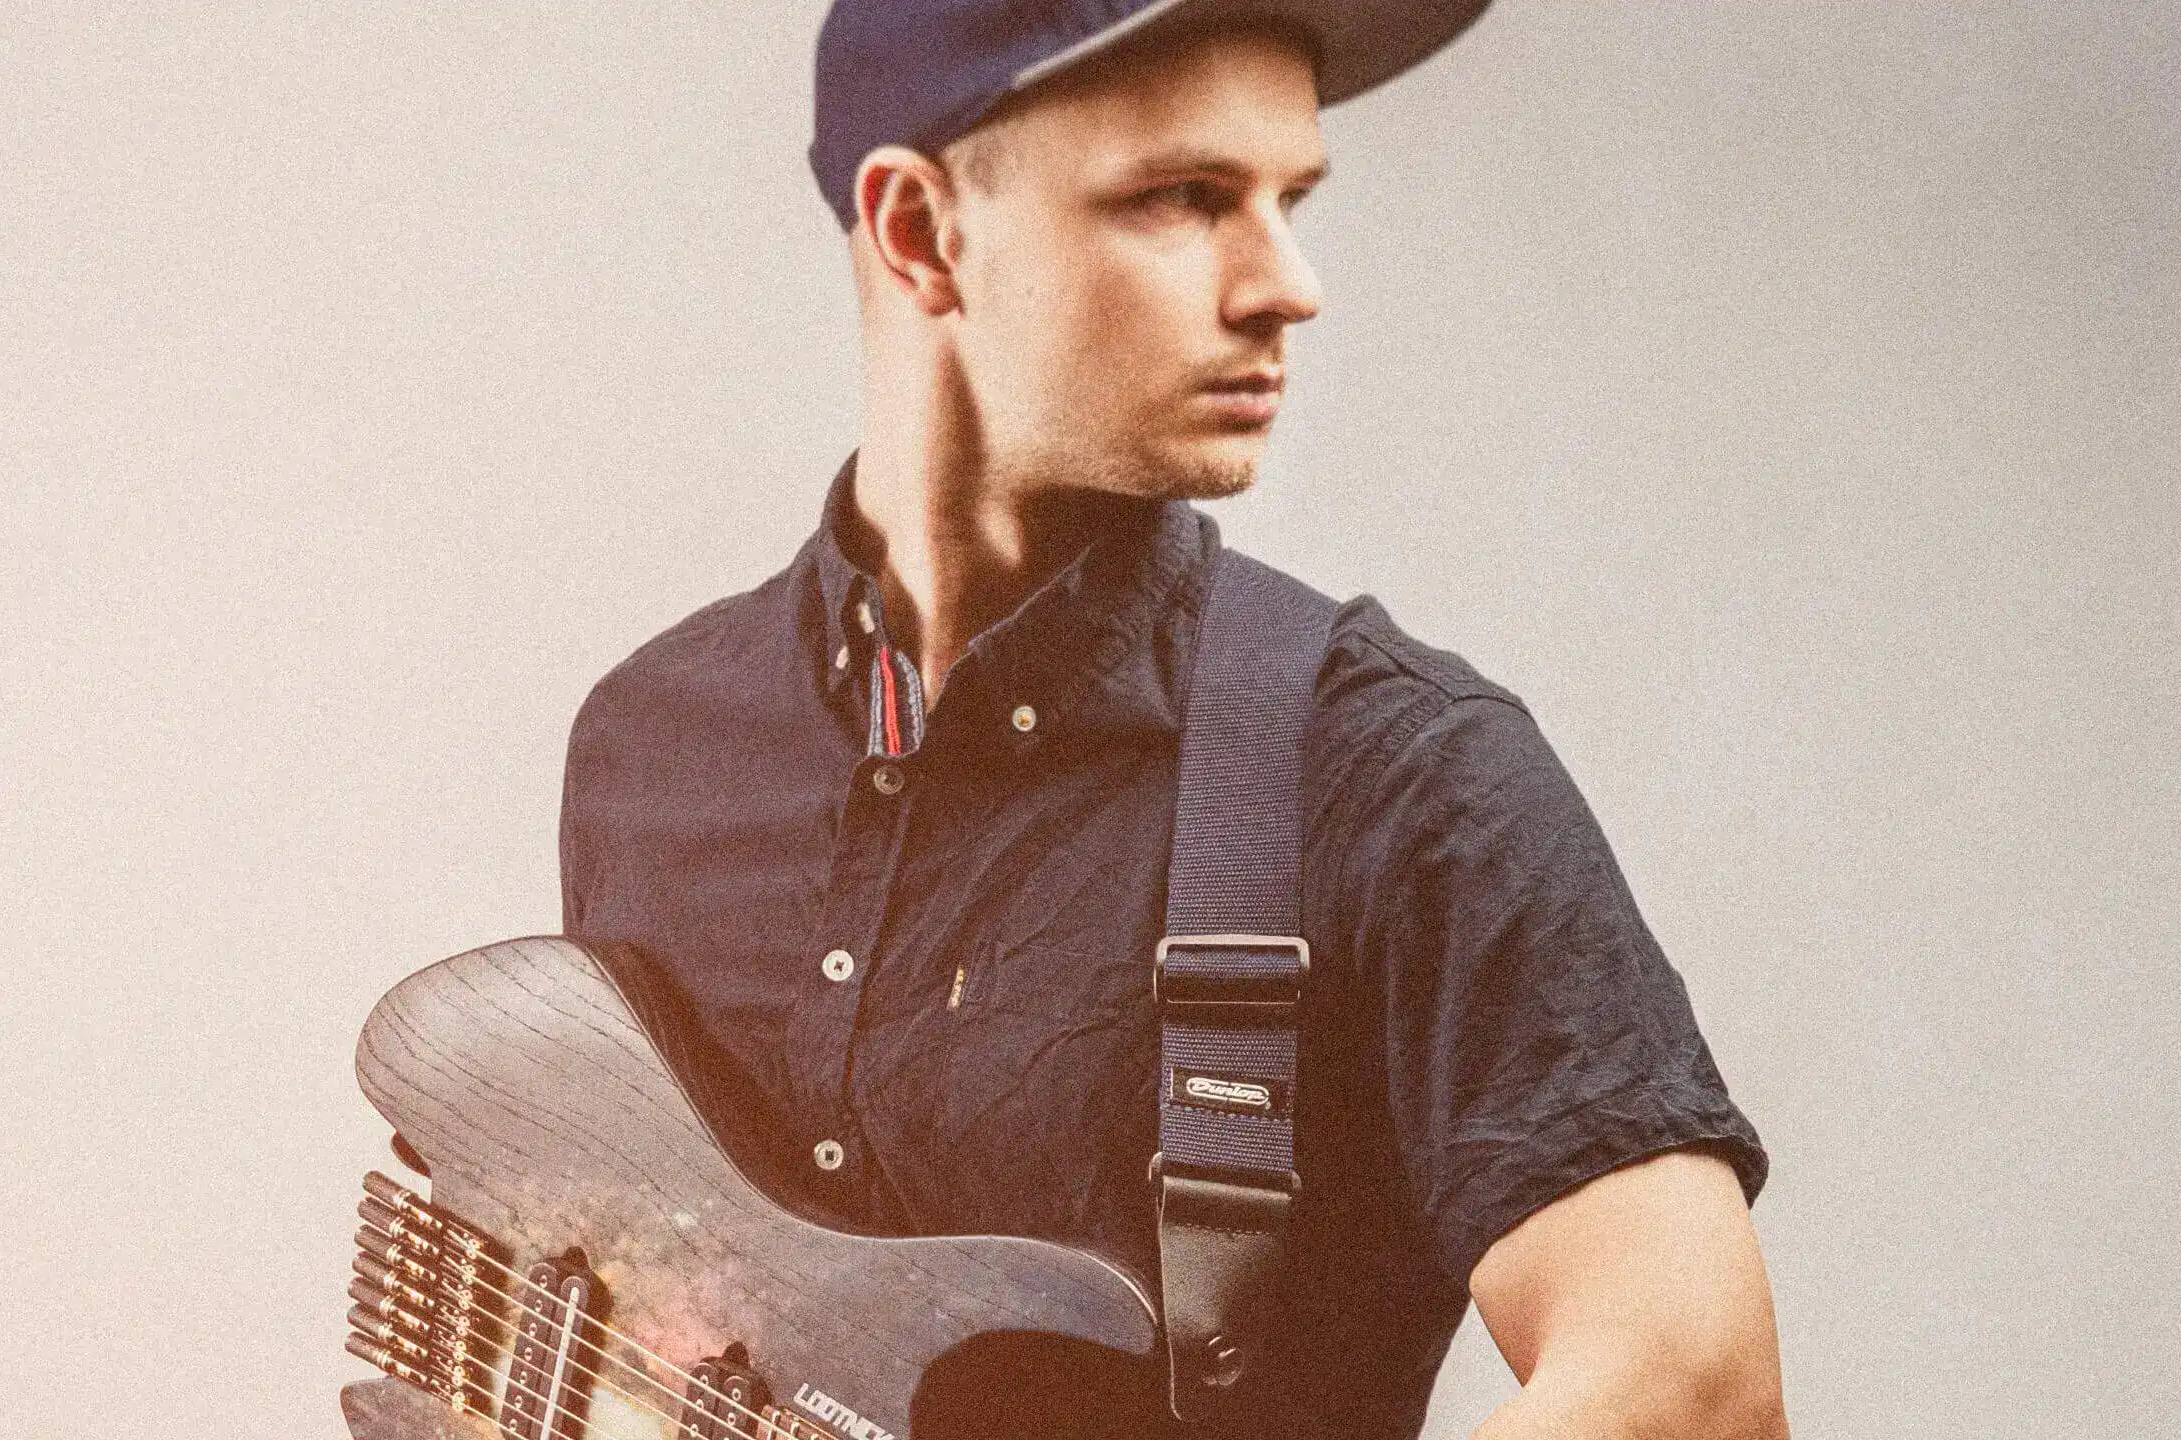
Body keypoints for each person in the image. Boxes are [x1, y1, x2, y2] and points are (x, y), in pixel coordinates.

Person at [557, 1, 1786, 1434]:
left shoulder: (1396, 774)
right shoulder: (652, 752)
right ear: (919, 233)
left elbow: (1690, 1379)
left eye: (1290, 199)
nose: (1288, 284)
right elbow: (641, 1309)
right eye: (1187, 199)